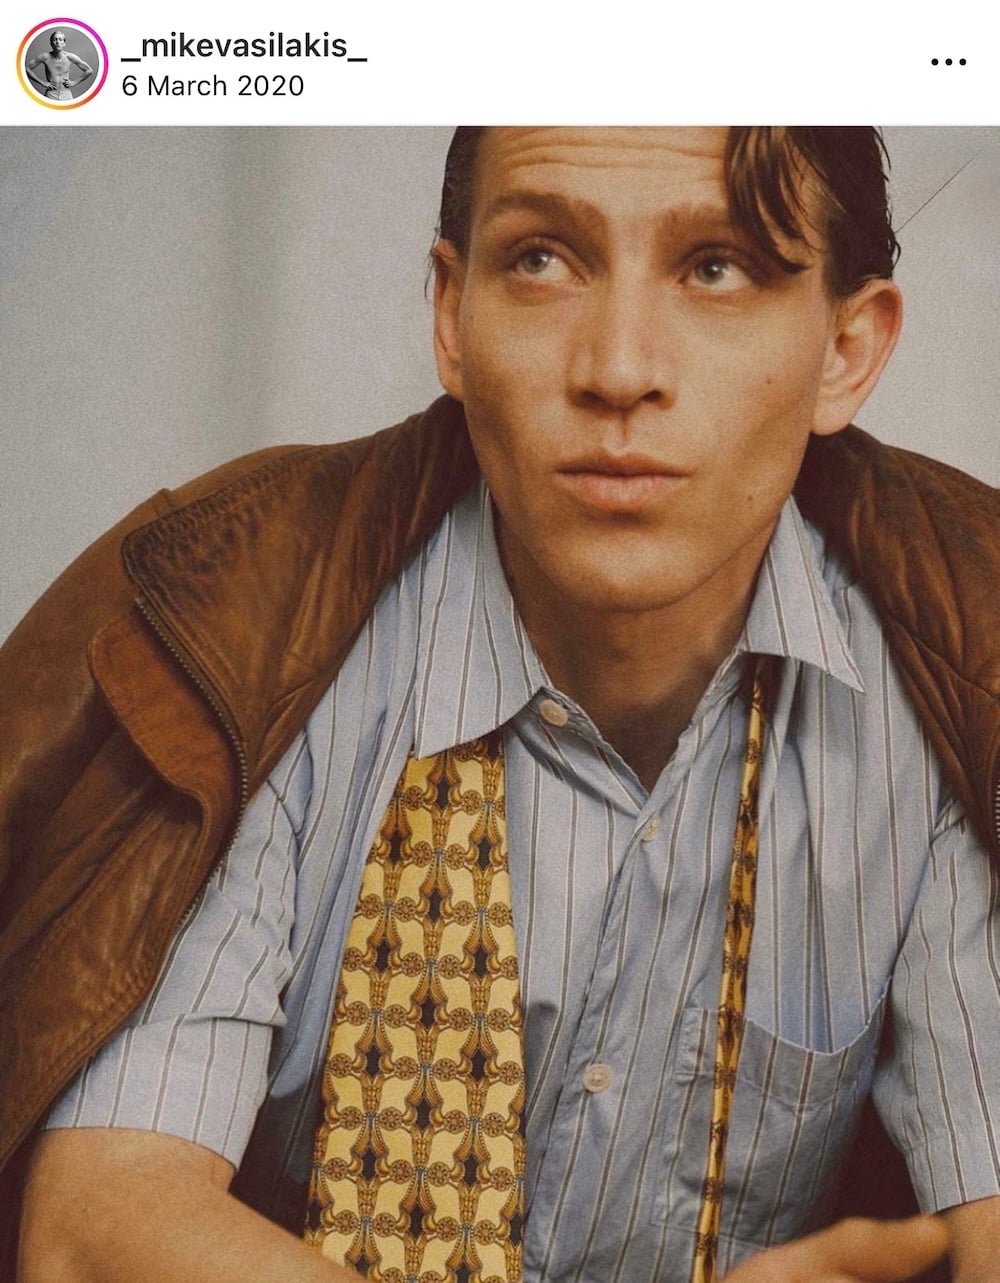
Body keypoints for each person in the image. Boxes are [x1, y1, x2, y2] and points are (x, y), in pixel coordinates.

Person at [3, 128, 998, 1283]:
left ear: (845, 348)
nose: (618, 368)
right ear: (450, 313)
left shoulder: (947, 676)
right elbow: (93, 1228)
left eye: (716, 266)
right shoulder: (262, 637)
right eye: (541, 258)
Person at [25, 28, 94, 101]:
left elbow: (89, 70)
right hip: (50, 94)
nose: (58, 42)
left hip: (66, 95)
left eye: (60, 39)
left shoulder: (70, 57)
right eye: (55, 39)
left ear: (64, 43)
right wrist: (42, 83)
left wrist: (74, 82)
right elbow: (27, 69)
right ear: (51, 43)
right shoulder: (45, 57)